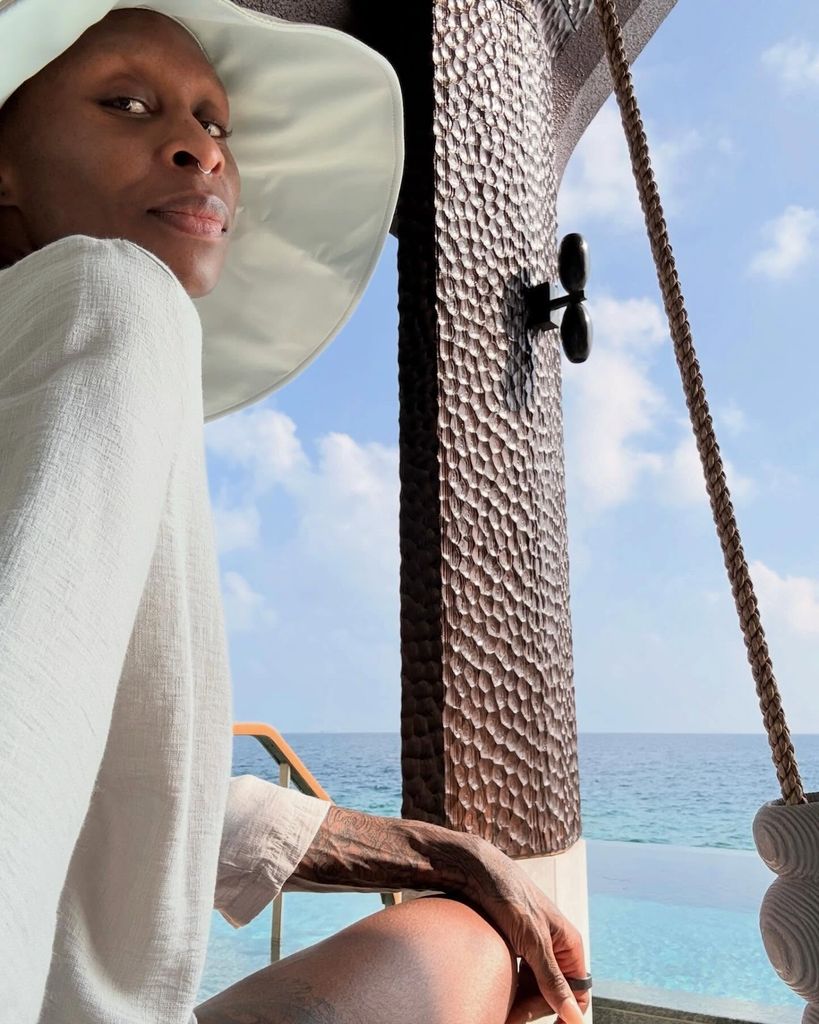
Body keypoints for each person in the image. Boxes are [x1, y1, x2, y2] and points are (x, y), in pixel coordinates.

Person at [0, 3, 591, 1023]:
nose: (199, 150)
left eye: (213, 124)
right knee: (477, 945)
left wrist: (437, 849)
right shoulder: (117, 297)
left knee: (461, 929)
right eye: (128, 104)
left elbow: (90, 756)